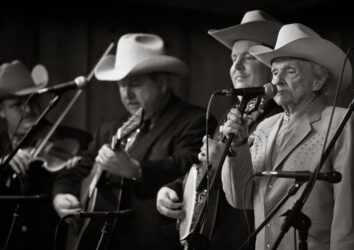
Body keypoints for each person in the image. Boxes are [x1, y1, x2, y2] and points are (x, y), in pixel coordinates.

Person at [212, 23, 354, 250]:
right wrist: (237, 148)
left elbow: (353, 219)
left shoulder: (342, 122)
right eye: (274, 72)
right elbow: (239, 199)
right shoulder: (264, 127)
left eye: (289, 71)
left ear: (318, 80)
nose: (277, 80)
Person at [52, 33, 216, 250]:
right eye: (122, 85)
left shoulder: (194, 120)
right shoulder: (111, 127)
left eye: (135, 84)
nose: (126, 94)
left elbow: (187, 167)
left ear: (163, 83)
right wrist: (61, 195)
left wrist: (137, 170)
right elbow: (77, 169)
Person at [156, 10, 282, 249]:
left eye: (249, 58)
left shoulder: (280, 117)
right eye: (233, 57)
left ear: (273, 66)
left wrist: (225, 160)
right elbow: (206, 169)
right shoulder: (231, 114)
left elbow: (268, 187)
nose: (236, 66)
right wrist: (172, 188)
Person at [0, 60, 92, 250]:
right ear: (1, 111)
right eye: (18, 104)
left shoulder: (76, 140)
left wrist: (79, 171)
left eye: (32, 100)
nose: (29, 110)